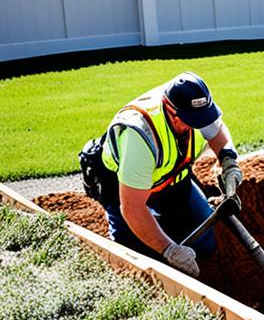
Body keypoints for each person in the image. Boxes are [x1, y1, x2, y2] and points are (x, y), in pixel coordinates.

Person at [81, 72, 243, 277]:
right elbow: (132, 207)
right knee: (139, 261)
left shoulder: (195, 109)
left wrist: (229, 162)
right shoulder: (140, 137)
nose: (200, 125)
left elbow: (217, 132)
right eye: (193, 121)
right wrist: (169, 250)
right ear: (171, 111)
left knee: (204, 243)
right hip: (123, 187)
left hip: (170, 179)